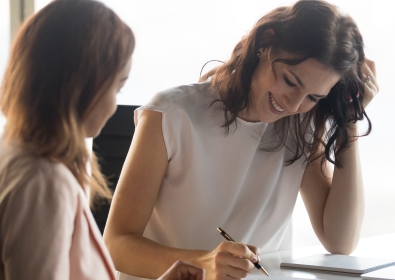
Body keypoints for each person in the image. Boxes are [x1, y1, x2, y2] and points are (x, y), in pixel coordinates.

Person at [103, 0, 379, 279]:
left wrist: (350, 122)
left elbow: (340, 242)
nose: (294, 104)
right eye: (290, 81)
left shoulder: (301, 127)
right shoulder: (171, 113)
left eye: (313, 97)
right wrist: (205, 263)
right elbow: (116, 244)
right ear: (265, 44)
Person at [0, 0, 205, 279]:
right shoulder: (45, 181)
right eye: (117, 88)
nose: (113, 107)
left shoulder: (14, 154)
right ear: (83, 86)